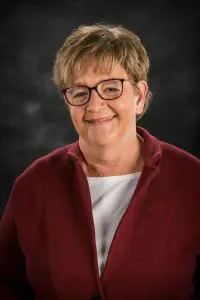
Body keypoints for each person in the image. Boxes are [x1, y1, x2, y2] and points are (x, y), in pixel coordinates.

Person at [0, 23, 199, 300]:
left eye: (110, 88)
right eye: (80, 92)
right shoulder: (33, 184)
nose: (94, 105)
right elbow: (6, 283)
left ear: (139, 97)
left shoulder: (192, 181)